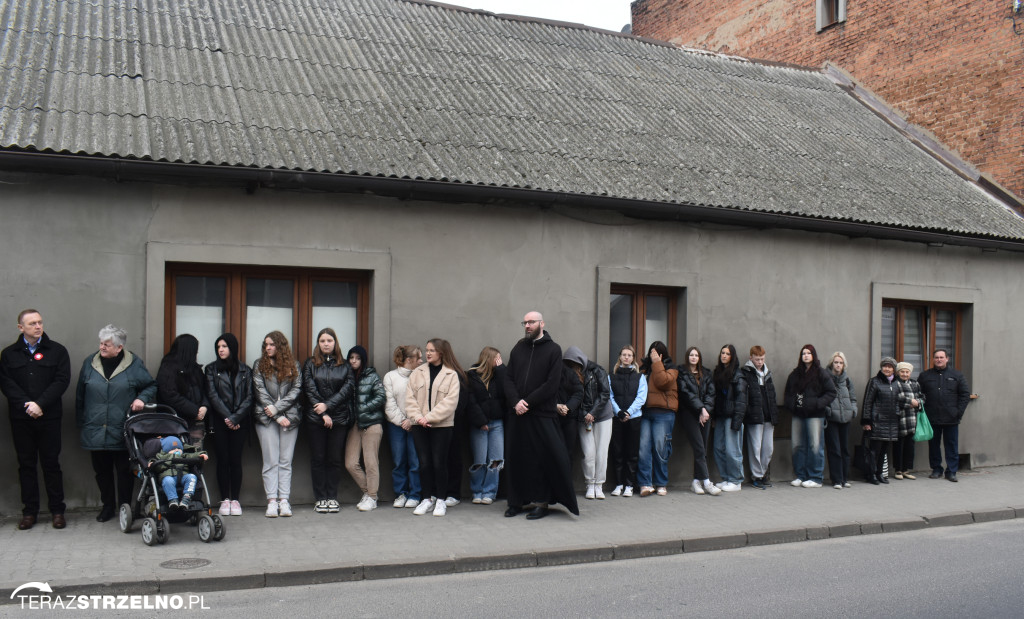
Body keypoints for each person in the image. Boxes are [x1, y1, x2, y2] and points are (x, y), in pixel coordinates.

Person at [76, 324, 157, 522]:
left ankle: (125, 507)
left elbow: (150, 385)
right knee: (101, 471)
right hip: (95, 428)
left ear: (119, 347)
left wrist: (142, 399)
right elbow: (80, 395)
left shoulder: (133, 364)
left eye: (107, 344)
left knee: (124, 472)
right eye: (101, 343)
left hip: (123, 428)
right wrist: (82, 422)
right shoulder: (90, 362)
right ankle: (108, 506)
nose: (102, 347)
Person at [503, 311, 579, 520]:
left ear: (541, 323)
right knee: (517, 458)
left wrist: (527, 402)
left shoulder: (553, 350)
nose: (527, 325)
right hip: (518, 415)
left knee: (541, 459)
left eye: (531, 322)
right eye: (525, 322)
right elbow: (508, 379)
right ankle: (516, 502)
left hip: (542, 415)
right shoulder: (518, 348)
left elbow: (552, 384)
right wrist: (516, 402)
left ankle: (541, 502)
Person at [0, 309, 71, 530]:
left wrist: (40, 404)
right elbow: (6, 383)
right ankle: (29, 512)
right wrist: (27, 405)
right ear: (21, 327)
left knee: (51, 464)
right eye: (32, 323)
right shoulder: (9, 354)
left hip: (49, 417)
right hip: (21, 418)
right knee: (26, 465)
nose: (38, 326)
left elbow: (61, 381)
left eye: (40, 322)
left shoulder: (57, 351)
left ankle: (57, 511)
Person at [405, 338, 462, 517]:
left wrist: (428, 417)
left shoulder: (451, 375)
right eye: (427, 350)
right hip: (419, 425)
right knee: (424, 464)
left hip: (441, 426)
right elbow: (409, 398)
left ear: (441, 353)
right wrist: (419, 418)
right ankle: (426, 499)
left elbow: (450, 403)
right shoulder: (417, 372)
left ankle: (441, 500)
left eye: (432, 350)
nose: (428, 353)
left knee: (439, 463)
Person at [303, 327, 355, 514]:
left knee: (334, 459)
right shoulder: (310, 364)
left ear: (335, 343)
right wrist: (322, 412)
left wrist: (328, 407)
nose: (326, 344)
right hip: (315, 420)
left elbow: (348, 388)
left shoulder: (344, 365)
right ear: (318, 343)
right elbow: (309, 389)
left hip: (339, 419)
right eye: (322, 340)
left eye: (329, 340)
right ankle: (320, 499)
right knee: (318, 459)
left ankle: (332, 497)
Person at [252, 331, 302, 518]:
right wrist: (276, 415)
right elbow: (260, 392)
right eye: (266, 345)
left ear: (280, 346)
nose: (268, 348)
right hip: (266, 419)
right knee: (270, 461)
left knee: (285, 461)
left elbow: (296, 390)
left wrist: (278, 409)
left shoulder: (294, 365)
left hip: (290, 417)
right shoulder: (259, 365)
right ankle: (272, 501)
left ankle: (284, 501)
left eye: (272, 344)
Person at [204, 333, 252, 516]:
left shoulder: (245, 370)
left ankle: (236, 500)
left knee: (236, 460)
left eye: (224, 346)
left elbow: (249, 397)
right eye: (218, 347)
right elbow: (213, 396)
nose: (221, 350)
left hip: (239, 424)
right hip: (219, 422)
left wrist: (236, 418)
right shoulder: (211, 369)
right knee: (222, 460)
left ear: (232, 348)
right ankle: (225, 499)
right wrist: (228, 418)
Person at [784, 344, 837, 488]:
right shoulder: (795, 374)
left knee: (815, 445)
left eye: (808, 353)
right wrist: (791, 405)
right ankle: (800, 475)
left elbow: (831, 392)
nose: (805, 355)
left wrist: (818, 403)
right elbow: (788, 392)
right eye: (803, 353)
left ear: (813, 355)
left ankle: (815, 477)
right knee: (797, 445)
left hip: (815, 415)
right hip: (798, 414)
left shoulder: (820, 373)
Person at [563, 346, 613, 500]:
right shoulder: (568, 374)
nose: (572, 368)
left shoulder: (597, 370)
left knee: (602, 453)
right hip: (583, 418)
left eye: (574, 364)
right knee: (588, 453)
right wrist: (585, 414)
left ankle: (599, 484)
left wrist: (593, 412)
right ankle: (589, 484)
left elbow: (605, 393)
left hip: (603, 416)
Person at [918, 349, 971, 482]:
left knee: (951, 445)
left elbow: (965, 395)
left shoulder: (957, 375)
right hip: (932, 417)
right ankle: (936, 469)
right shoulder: (925, 376)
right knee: (934, 446)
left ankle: (951, 471)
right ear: (933, 359)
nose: (939, 360)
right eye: (936, 357)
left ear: (947, 359)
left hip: (951, 418)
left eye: (942, 357)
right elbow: (918, 394)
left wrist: (958, 412)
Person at [345, 345, 386, 512]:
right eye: (351, 358)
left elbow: (381, 396)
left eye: (357, 358)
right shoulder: (347, 377)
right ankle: (369, 493)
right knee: (350, 463)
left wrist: (364, 407)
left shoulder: (371, 376)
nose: (354, 361)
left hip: (372, 424)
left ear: (363, 360)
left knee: (371, 463)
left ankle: (373, 497)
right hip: (355, 425)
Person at [677, 346, 720, 496]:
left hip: (705, 415)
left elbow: (711, 393)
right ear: (687, 357)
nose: (694, 357)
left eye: (696, 355)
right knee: (699, 448)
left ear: (699, 358)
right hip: (689, 414)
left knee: (702, 449)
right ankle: (707, 482)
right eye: (691, 355)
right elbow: (686, 394)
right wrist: (701, 408)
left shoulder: (706, 373)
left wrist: (705, 410)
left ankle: (696, 481)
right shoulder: (681, 373)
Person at [383, 345, 422, 508]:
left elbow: (423, 402)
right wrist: (402, 421)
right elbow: (389, 404)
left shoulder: (421, 376)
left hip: (417, 425)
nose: (422, 360)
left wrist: (412, 421)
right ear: (409, 360)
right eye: (419, 358)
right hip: (396, 426)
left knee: (415, 461)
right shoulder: (390, 377)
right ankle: (401, 493)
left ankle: (415, 494)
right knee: (399, 460)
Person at [638, 341, 678, 497]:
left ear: (662, 355)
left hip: (664, 413)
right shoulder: (644, 369)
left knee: (660, 448)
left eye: (656, 353)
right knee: (643, 449)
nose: (653, 355)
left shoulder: (672, 369)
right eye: (651, 353)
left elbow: (663, 382)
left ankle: (661, 483)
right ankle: (645, 483)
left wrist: (657, 363)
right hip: (646, 413)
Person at [466, 347, 506, 505]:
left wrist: (502, 369)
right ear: (488, 359)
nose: (500, 361)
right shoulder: (472, 375)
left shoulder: (499, 375)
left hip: (497, 422)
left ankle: (489, 492)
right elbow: (471, 401)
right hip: (479, 424)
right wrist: (481, 421)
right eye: (497, 358)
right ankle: (477, 491)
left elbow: (507, 391)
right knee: (480, 460)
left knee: (496, 460)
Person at [607, 345, 646, 498]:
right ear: (620, 357)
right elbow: (609, 396)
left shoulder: (639, 377)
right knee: (617, 452)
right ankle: (619, 484)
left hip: (634, 419)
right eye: (624, 355)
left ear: (633, 358)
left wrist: (629, 412)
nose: (626, 357)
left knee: (632, 452)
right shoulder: (612, 376)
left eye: (629, 355)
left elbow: (641, 398)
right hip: (617, 419)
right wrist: (619, 412)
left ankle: (629, 485)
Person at [156, 334, 208, 449]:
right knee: (176, 459)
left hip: (196, 422)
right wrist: (194, 410)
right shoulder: (168, 368)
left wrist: (204, 406)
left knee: (196, 457)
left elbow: (205, 389)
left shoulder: (196, 370)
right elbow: (169, 395)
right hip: (174, 422)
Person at [711, 344, 747, 492]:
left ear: (732, 356)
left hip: (732, 417)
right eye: (722, 353)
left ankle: (736, 480)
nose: (724, 355)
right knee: (718, 448)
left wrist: (737, 421)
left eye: (727, 353)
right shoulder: (718, 372)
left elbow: (741, 400)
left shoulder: (738, 375)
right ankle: (726, 478)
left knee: (733, 450)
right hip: (720, 416)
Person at [742, 345, 779, 490]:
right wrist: (749, 412)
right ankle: (756, 476)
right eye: (757, 359)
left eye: (762, 359)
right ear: (751, 358)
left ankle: (763, 474)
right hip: (755, 417)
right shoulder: (746, 372)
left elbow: (772, 395)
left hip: (769, 416)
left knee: (768, 448)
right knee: (755, 447)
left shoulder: (767, 373)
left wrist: (774, 412)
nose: (760, 362)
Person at [861, 357, 900, 485]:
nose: (887, 369)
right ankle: (871, 474)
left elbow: (898, 401)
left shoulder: (896, 383)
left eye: (890, 367)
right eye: (885, 366)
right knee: (874, 451)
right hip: (877, 422)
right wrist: (866, 421)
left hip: (891, 423)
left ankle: (879, 474)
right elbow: (867, 402)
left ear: (893, 369)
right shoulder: (874, 382)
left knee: (883, 451)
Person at [823, 352, 857, 489]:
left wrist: (853, 410)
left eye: (841, 363)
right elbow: (822, 396)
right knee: (834, 449)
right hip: (832, 419)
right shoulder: (825, 378)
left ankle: (844, 478)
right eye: (836, 362)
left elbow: (853, 398)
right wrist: (828, 410)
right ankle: (836, 479)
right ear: (832, 363)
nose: (838, 365)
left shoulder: (847, 380)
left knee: (844, 449)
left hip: (846, 419)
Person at [148, 436, 208, 509]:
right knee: (168, 481)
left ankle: (186, 497)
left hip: (183, 477)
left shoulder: (184, 456)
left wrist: (201, 454)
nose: (177, 450)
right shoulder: (161, 457)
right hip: (169, 477)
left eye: (179, 448)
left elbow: (193, 455)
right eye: (173, 449)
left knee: (192, 477)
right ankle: (173, 500)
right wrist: (152, 463)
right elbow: (155, 463)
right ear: (166, 450)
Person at [894, 361, 924, 481]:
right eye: (902, 372)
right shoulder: (895, 383)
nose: (905, 374)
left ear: (910, 373)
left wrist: (918, 403)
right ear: (898, 372)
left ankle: (906, 469)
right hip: (900, 419)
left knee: (909, 447)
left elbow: (922, 397)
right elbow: (896, 398)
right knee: (898, 446)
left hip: (912, 419)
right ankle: (898, 470)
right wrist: (910, 402)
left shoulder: (915, 383)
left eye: (907, 372)